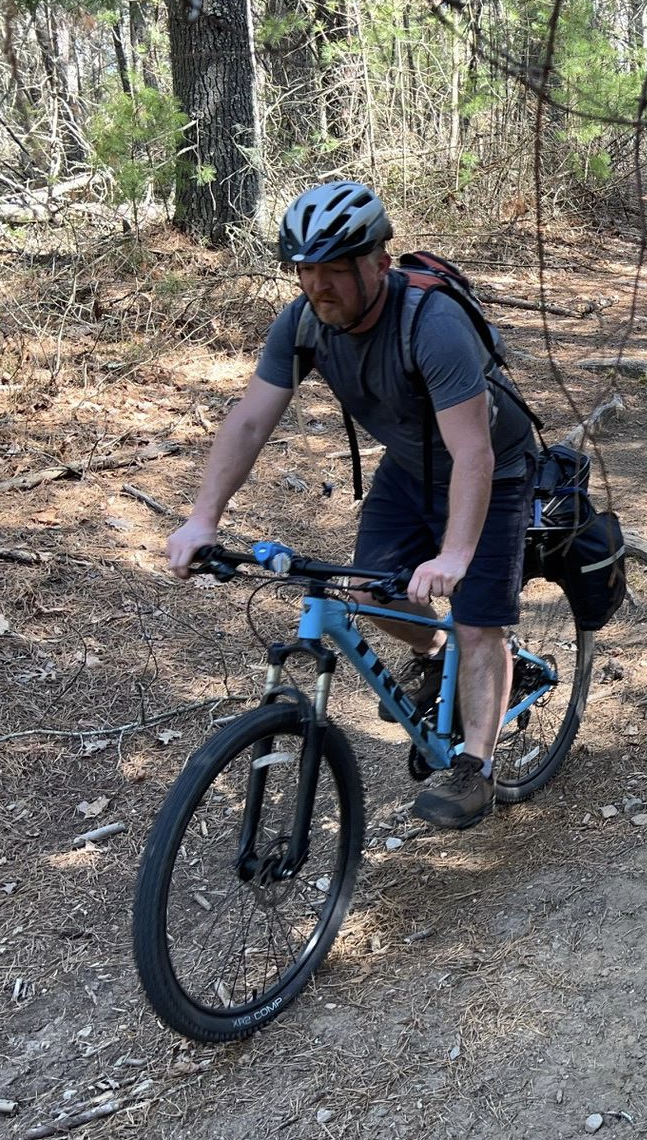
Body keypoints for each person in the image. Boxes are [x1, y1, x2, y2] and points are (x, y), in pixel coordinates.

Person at [165, 180, 536, 830]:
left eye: (334, 269)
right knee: (366, 592)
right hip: (411, 465)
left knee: (477, 624)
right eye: (305, 270)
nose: (318, 286)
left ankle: (475, 765)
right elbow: (250, 420)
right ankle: (432, 655)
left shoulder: (433, 324)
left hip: (494, 470)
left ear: (379, 264)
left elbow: (473, 454)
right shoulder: (304, 323)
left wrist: (455, 552)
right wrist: (203, 518)